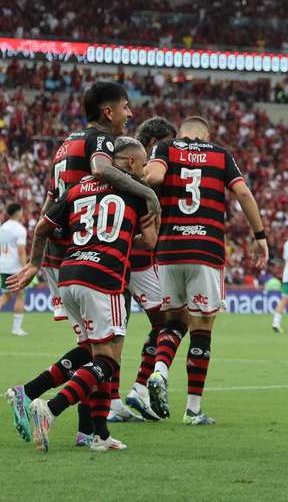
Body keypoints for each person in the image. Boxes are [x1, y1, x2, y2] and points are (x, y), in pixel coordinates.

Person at [5, 83, 160, 448]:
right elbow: (102, 171)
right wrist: (146, 191)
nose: (129, 115)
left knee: (92, 349)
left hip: (67, 248)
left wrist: (35, 261)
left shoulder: (65, 144)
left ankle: (76, 421)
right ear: (108, 112)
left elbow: (50, 202)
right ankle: (73, 420)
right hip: (94, 251)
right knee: (107, 350)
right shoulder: (100, 144)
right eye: (125, 107)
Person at [144, 116, 269, 424]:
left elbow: (155, 178)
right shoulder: (219, 153)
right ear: (206, 134)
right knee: (202, 328)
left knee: (173, 321)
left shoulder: (165, 147)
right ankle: (193, 409)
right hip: (206, 249)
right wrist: (260, 235)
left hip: (170, 249)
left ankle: (159, 370)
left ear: (181, 132)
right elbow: (243, 193)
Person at [111, 116, 179, 423]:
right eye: (167, 143)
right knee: (168, 324)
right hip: (136, 262)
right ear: (153, 143)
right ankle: (138, 390)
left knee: (112, 333)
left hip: (112, 262)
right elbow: (148, 240)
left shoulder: (118, 175)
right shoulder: (142, 178)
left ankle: (114, 402)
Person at [0, 203, 28, 336]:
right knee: (20, 295)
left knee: (6, 295)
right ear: (17, 212)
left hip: (3, 265)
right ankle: (16, 328)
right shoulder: (19, 229)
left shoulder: (3, 227)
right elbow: (21, 251)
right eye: (21, 210)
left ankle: (17, 328)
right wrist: (25, 269)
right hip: (15, 267)